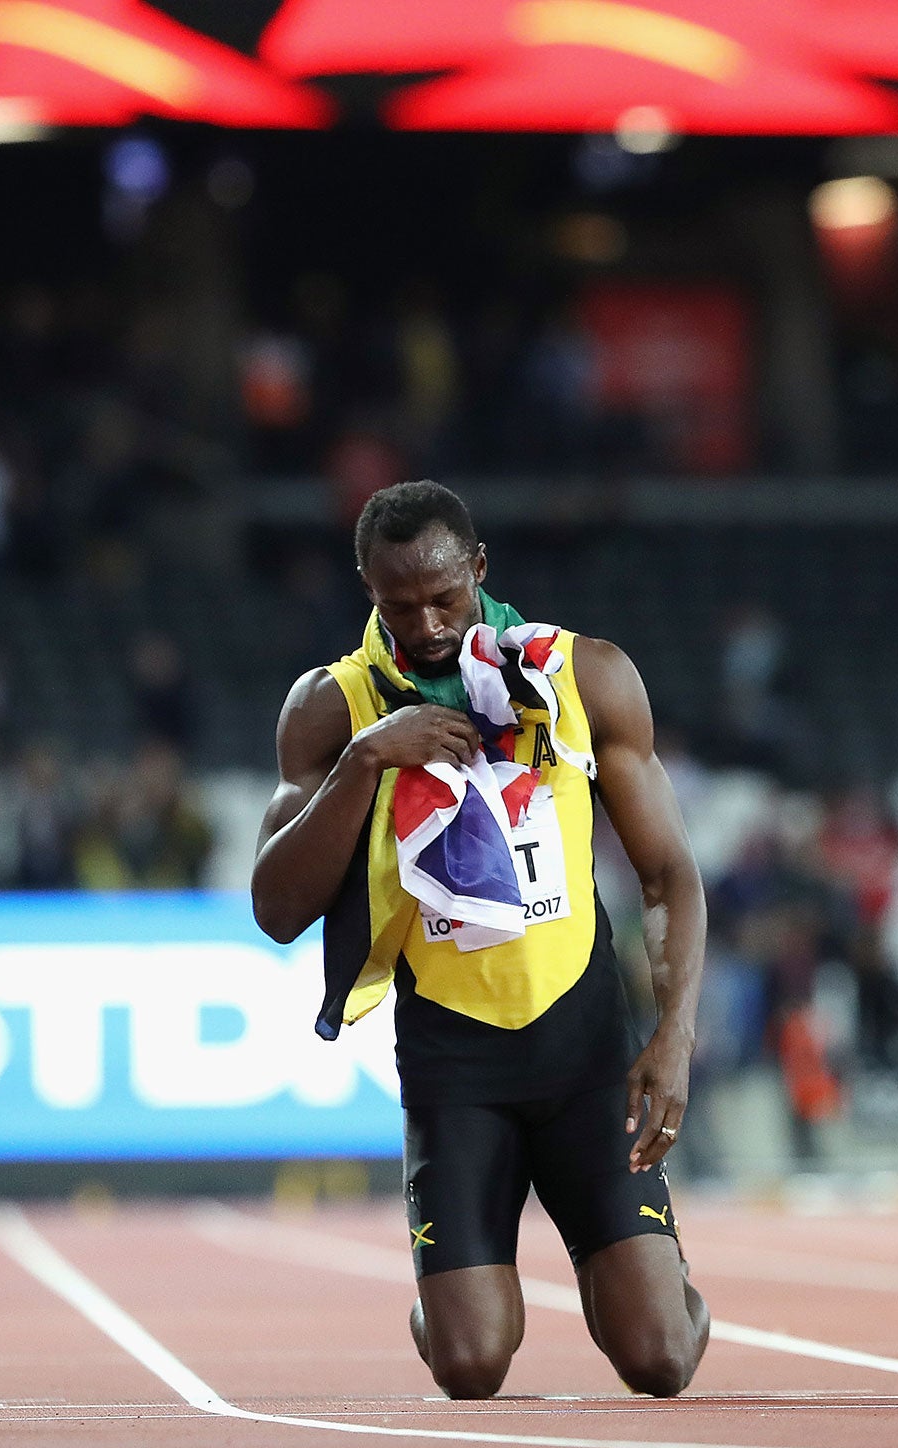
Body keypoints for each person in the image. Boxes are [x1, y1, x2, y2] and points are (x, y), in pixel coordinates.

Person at [252, 480, 709, 1399]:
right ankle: (452, 1285)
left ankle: (657, 1279)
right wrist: (367, 758)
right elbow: (277, 908)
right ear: (366, 590)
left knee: (659, 1359)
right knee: (470, 1366)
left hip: (583, 1053)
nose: (424, 624)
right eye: (398, 603)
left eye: (445, 598)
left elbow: (668, 878)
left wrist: (675, 1036)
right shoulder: (332, 706)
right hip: (455, 1064)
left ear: (481, 569)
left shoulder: (585, 675)